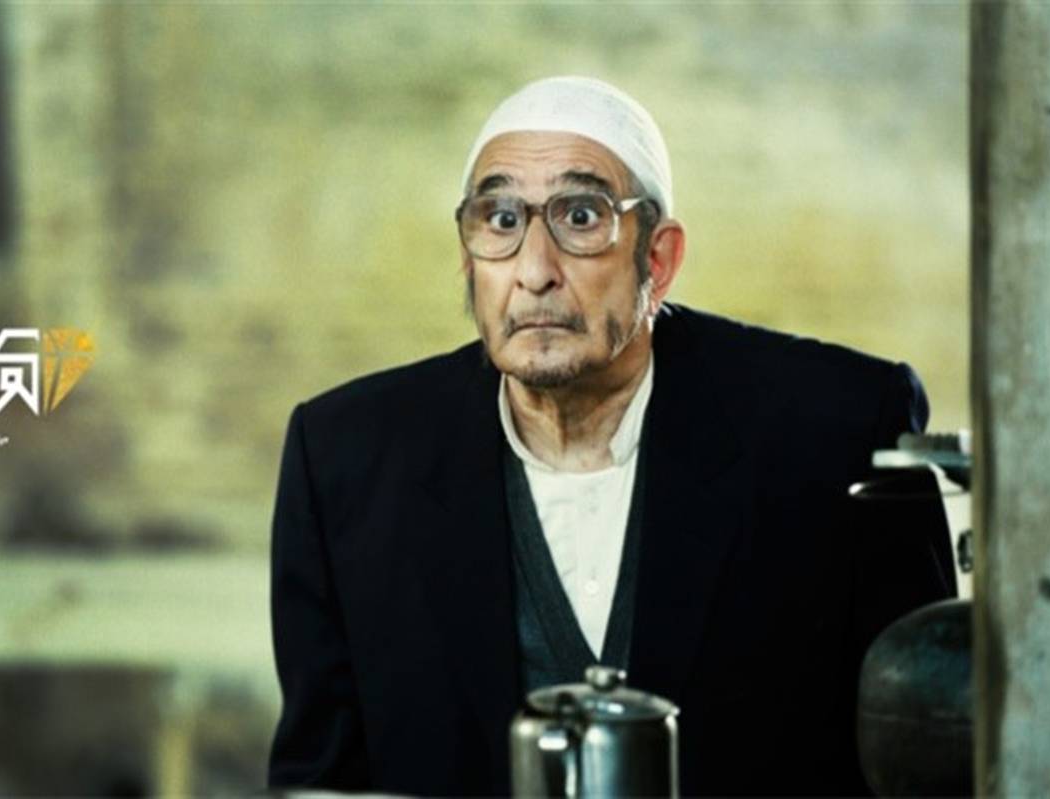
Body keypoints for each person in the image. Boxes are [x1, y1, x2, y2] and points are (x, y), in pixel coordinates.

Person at [267, 76, 955, 796]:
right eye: (501, 219)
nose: (535, 271)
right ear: (469, 256)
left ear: (657, 259)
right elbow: (320, 783)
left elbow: (928, 758)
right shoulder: (345, 461)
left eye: (581, 216)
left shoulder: (836, 433)